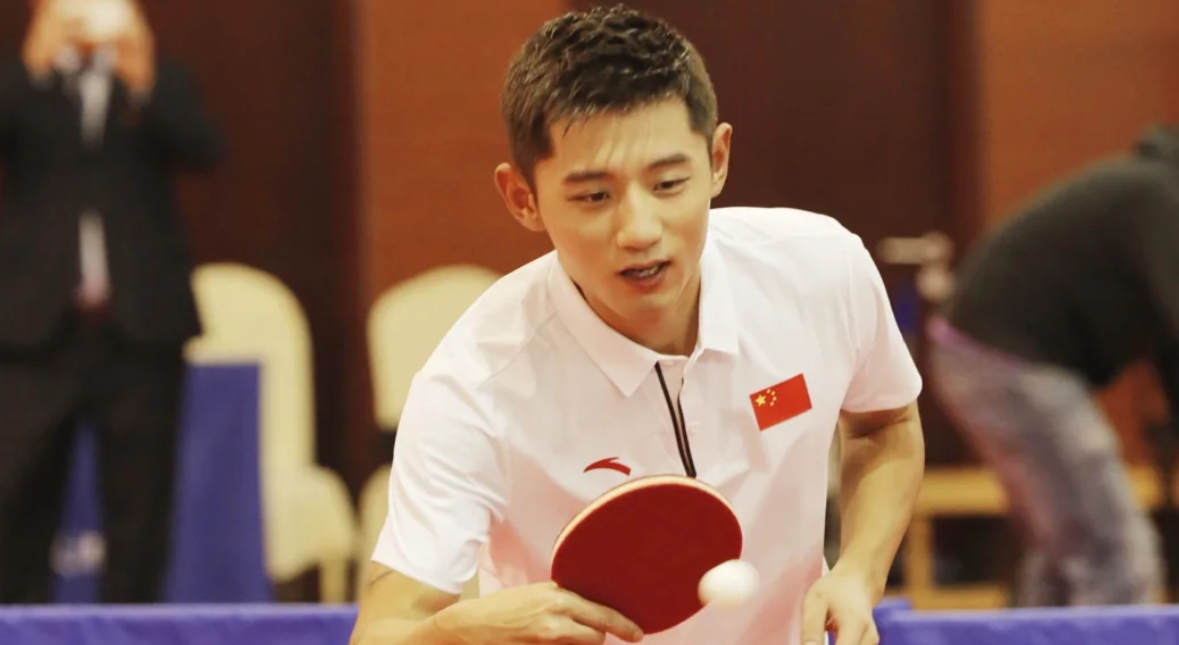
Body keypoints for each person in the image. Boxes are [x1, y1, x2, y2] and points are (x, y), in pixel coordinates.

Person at [350, 6, 924, 645]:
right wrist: (458, 633)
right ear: (522, 198)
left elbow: (883, 424)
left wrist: (859, 573)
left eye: (669, 182)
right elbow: (382, 632)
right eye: (594, 196)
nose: (640, 230)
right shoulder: (473, 385)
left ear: (718, 159)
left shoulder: (820, 271)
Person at [0, 0, 221, 603]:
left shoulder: (158, 80)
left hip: (140, 329)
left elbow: (204, 148)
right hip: (33, 332)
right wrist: (32, 68)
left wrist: (143, 78)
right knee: (15, 497)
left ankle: (132, 634)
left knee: (140, 510)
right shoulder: (22, 83)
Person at [926, 125, 1179, 607]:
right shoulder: (1158, 197)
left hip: (981, 356)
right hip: (1004, 359)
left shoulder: (1154, 193)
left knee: (1066, 548)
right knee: (1114, 554)